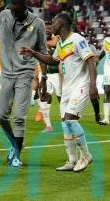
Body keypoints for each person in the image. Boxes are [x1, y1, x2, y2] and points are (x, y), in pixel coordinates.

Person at [0, 0, 47, 169]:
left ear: (24, 8)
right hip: (6, 74)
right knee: (1, 116)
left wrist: (43, 78)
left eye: (16, 11)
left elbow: (43, 51)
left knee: (19, 117)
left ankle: (16, 155)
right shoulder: (5, 15)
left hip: (25, 74)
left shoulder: (38, 24)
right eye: (11, 10)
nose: (12, 13)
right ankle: (16, 144)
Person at [21, 12, 98, 172]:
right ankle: (72, 161)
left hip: (81, 86)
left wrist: (93, 85)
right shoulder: (61, 43)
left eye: (54, 22)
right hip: (67, 88)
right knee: (65, 125)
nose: (51, 26)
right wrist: (34, 53)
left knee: (70, 120)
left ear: (62, 24)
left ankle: (86, 155)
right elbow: (53, 60)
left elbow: (91, 61)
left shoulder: (77, 39)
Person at [38, 28, 60, 133]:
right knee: (43, 96)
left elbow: (54, 44)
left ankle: (68, 123)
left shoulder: (57, 39)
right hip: (45, 74)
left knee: (61, 98)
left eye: (49, 28)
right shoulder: (41, 42)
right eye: (45, 28)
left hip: (57, 75)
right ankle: (48, 126)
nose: (47, 30)